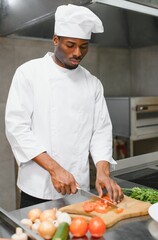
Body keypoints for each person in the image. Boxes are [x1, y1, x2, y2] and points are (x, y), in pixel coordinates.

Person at [5, 4, 123, 208]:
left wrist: (103, 171)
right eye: (70, 45)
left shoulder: (92, 83)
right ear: (56, 39)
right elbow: (17, 129)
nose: (78, 52)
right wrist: (54, 169)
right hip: (37, 189)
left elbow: (101, 130)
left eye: (84, 46)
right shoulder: (29, 73)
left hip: (79, 189)